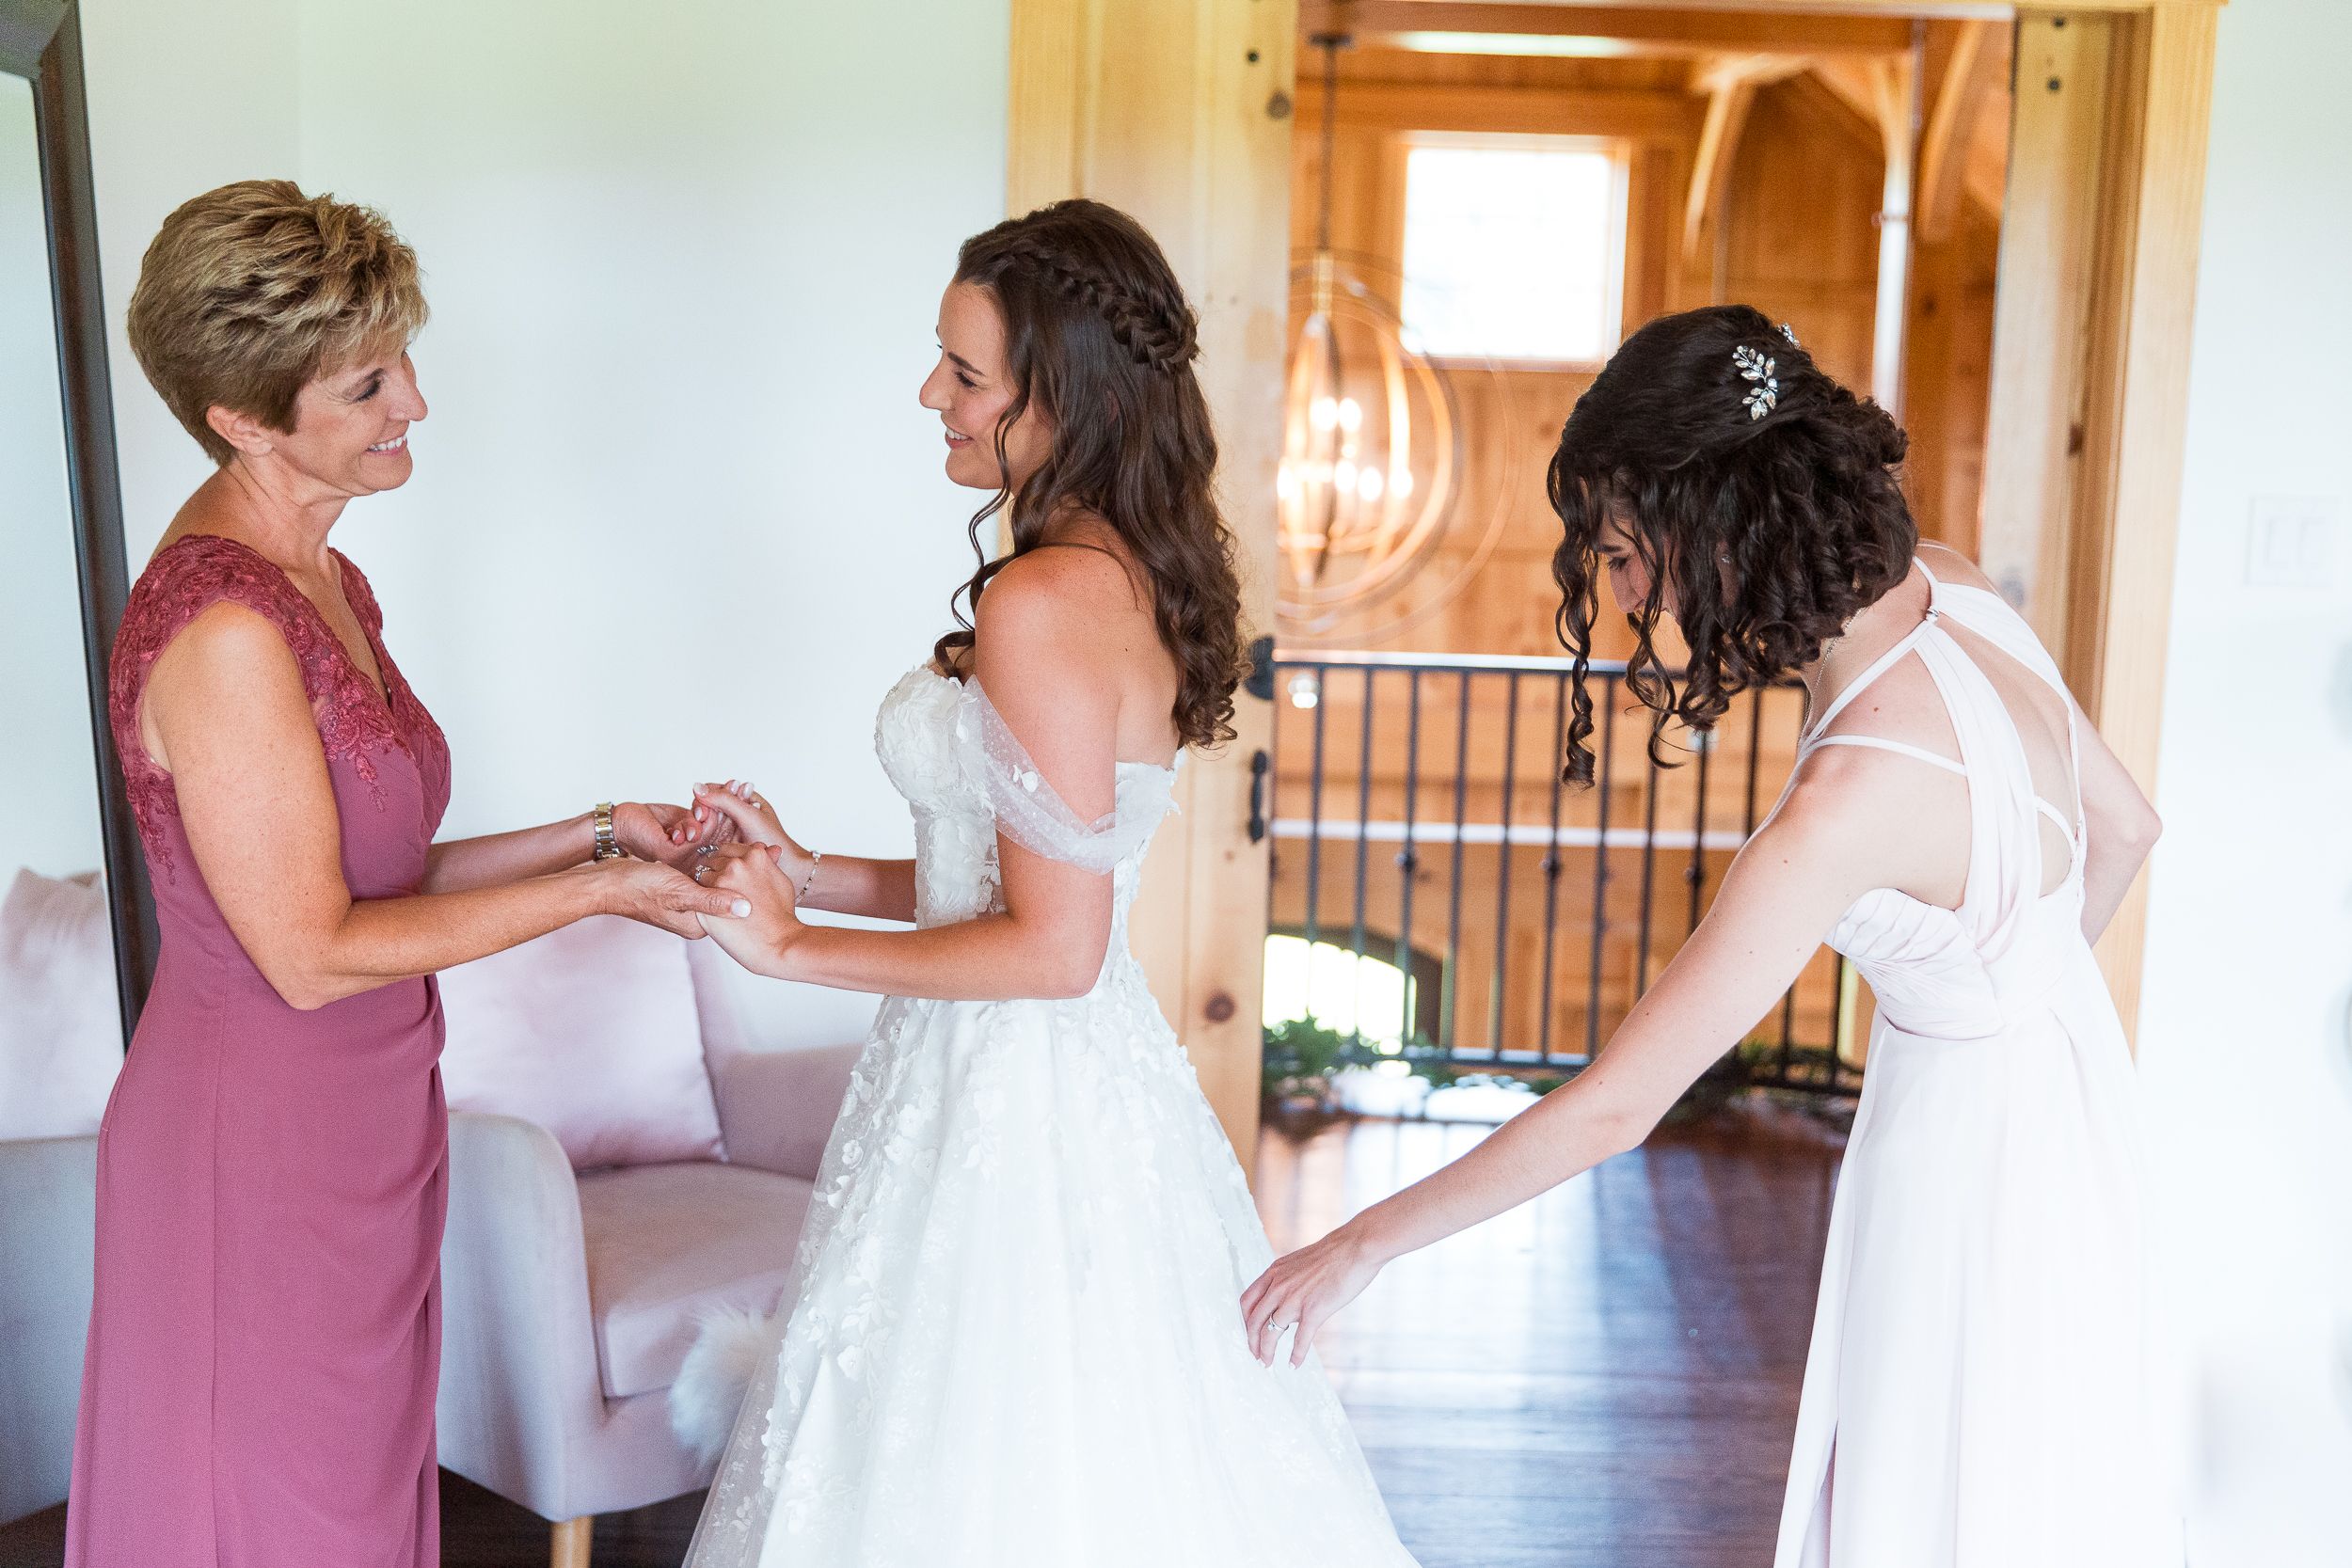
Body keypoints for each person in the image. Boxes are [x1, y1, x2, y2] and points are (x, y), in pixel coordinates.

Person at [1241, 305, 2184, 1567]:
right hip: (2074, 1118)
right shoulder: (1958, 587)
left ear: (1716, 518)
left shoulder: (1843, 804)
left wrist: (1354, 1246)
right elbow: (2125, 828)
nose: (1626, 596)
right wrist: (2000, 990)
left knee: (1932, 1496)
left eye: (1626, 556)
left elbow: (1616, 1108)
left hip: (1962, 1172)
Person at [671, 198, 1419, 1567]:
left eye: (965, 373)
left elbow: (1052, 949)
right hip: (1020, 1074)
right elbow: (1001, 882)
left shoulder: (1042, 601)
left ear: (1061, 395)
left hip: (1011, 1088)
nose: (931, 396)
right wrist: (805, 873)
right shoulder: (1115, 575)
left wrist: (789, 950)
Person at [67, 180, 738, 1568]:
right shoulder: (225, 632)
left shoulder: (324, 579)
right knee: (270, 1518)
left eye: (401, 361)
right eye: (368, 384)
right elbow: (310, 950)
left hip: (367, 1119)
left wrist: (598, 833)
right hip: (254, 1145)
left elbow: (379, 871)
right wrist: (597, 899)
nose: (415, 401)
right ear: (243, 421)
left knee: (354, 1506)